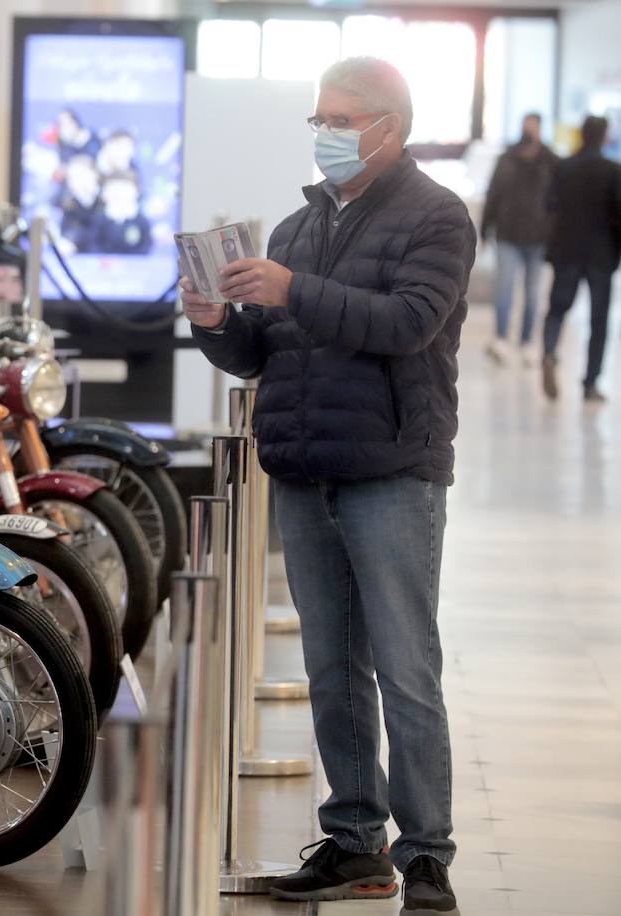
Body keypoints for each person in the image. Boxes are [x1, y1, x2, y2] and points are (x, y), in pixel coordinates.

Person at [180, 57, 474, 914]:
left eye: (341, 120)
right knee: (331, 668)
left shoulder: (437, 217)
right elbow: (263, 351)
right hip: (305, 469)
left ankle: (426, 855)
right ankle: (355, 841)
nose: (326, 134)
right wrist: (218, 325)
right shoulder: (294, 229)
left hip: (391, 471)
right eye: (319, 119)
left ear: (389, 127)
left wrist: (295, 291)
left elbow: (409, 324)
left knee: (406, 668)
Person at [540, 115, 621, 402]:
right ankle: (590, 383)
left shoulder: (563, 167)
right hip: (601, 255)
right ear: (602, 137)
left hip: (567, 251)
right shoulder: (613, 170)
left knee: (557, 309)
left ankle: (549, 352)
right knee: (598, 321)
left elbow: (549, 206)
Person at [481, 112, 558, 366]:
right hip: (508, 234)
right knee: (504, 289)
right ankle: (501, 339)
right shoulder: (507, 158)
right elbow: (494, 193)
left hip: (537, 238)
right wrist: (485, 229)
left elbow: (558, 201)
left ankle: (527, 342)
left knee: (533, 293)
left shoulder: (549, 160)